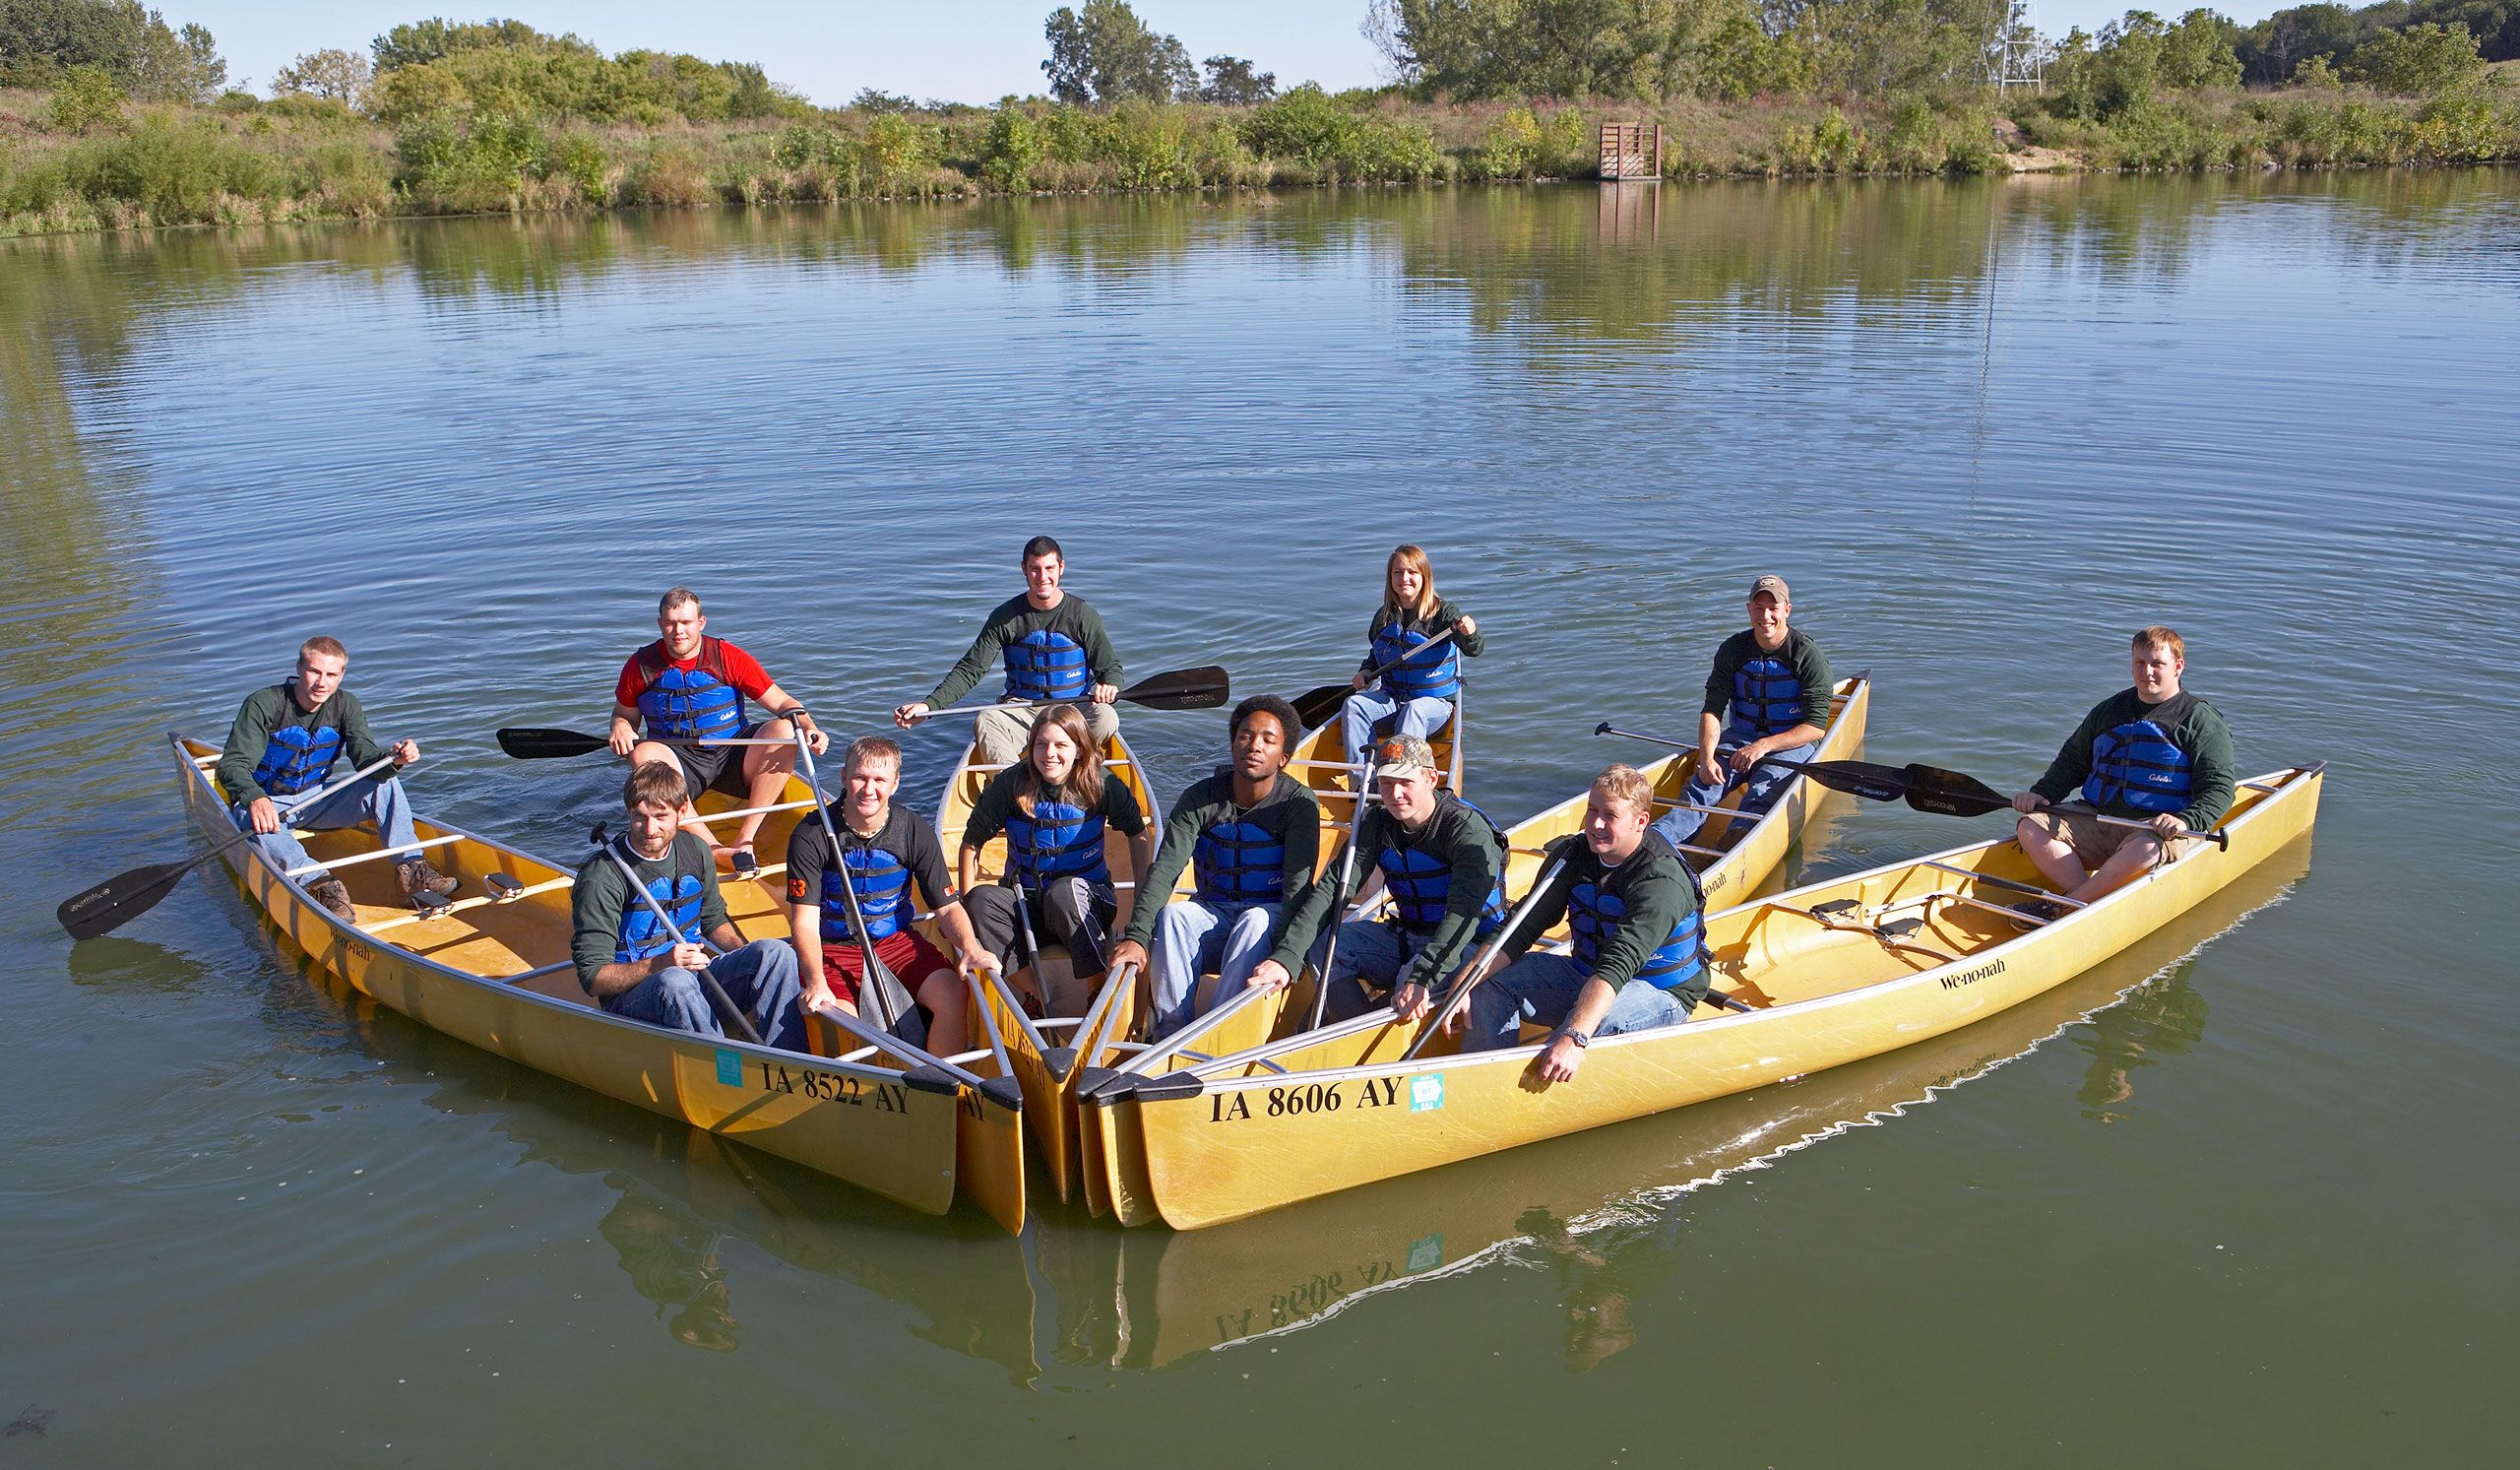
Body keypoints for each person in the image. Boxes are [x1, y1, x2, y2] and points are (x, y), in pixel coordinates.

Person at [1460, 764, 1709, 1083]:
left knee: (1598, 1021)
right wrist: (1463, 986)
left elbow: (1620, 962)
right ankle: (1485, 1078)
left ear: (1640, 822)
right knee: (1489, 983)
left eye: (1610, 815)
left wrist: (1574, 1037)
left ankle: (1543, 1077)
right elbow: (1520, 928)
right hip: (1587, 974)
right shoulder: (1573, 855)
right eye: (1592, 811)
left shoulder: (1661, 880)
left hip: (1659, 992)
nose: (1596, 824)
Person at [1108, 695, 1322, 1041]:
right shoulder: (1201, 797)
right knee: (1173, 916)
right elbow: (1165, 869)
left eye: (1268, 740)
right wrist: (1136, 936)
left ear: (1283, 757)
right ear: (1233, 744)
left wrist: (1287, 955)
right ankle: (1170, 1032)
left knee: (1255, 920)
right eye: (1245, 736)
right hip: (1214, 913)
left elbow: (1298, 890)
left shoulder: (1298, 805)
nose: (1254, 745)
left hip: (1267, 924)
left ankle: (1219, 1032)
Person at [1258, 735, 1505, 1024]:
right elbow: (1332, 889)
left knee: (1408, 981)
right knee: (1322, 943)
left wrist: (1422, 976)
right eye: (1386, 783)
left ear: (1431, 778)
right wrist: (1287, 955)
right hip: (1407, 935)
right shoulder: (1377, 823)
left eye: (1406, 782)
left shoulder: (1466, 830)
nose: (1395, 793)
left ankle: (1363, 1024)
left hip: (1467, 944)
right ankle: (1351, 1023)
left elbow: (1463, 913)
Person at [215, 635, 455, 922]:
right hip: (269, 803)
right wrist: (255, 797)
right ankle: (319, 884)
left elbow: (366, 759)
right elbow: (232, 765)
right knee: (250, 815)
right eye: (314, 671)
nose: (321, 683)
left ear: (341, 675)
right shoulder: (263, 704)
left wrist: (395, 759)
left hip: (317, 799)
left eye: (331, 675)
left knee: (386, 784)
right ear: (299, 668)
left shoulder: (345, 704)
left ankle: (412, 870)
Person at [570, 761, 804, 1050]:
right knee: (675, 981)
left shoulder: (696, 850)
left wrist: (745, 955)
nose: (650, 829)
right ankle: (724, 1063)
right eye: (639, 817)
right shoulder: (601, 877)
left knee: (775, 953)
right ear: (629, 812)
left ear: (681, 812)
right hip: (632, 998)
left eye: (660, 816)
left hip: (694, 978)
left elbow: (714, 920)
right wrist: (660, 963)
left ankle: (788, 1057)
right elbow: (593, 979)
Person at [2007, 625, 2236, 912]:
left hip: (2155, 829)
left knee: (2145, 850)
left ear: (2178, 667)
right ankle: (2085, 901)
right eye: (2140, 662)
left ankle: (2064, 909)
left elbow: (2220, 788)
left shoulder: (2200, 720)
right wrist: (2042, 794)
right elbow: (2072, 762)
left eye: (2157, 664)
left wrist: (2187, 821)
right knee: (2030, 827)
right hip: (2098, 817)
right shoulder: (2108, 710)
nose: (2147, 671)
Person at [786, 735, 986, 1055]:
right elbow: (804, 923)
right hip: (832, 949)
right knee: (840, 1018)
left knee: (953, 992)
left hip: (896, 942)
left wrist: (970, 948)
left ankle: (945, 1077)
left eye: (879, 780)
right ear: (843, 777)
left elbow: (948, 908)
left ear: (894, 784)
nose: (869, 789)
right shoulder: (811, 835)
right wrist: (815, 981)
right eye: (860, 777)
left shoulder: (913, 830)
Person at [608, 587, 824, 874]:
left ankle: (745, 839)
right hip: (680, 763)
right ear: (660, 624)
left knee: (786, 729)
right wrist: (621, 728)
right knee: (643, 752)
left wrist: (809, 728)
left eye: (685, 622)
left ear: (701, 622)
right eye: (670, 623)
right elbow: (623, 716)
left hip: (733, 754)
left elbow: (783, 703)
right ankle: (714, 849)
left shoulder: (727, 656)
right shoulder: (640, 666)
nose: (678, 632)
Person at [958, 704, 1153, 1014]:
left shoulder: (1102, 783)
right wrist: (965, 911)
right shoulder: (1011, 784)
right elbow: (971, 843)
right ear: (1031, 747)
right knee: (981, 900)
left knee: (1065, 892)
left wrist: (1142, 896)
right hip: (1027, 903)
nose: (1049, 754)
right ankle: (1035, 994)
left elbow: (1137, 833)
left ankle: (1096, 988)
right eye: (1041, 744)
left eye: (1061, 745)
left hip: (1086, 904)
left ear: (1079, 750)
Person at [894, 536, 1124, 765]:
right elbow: (971, 669)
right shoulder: (1005, 617)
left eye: (1049, 568)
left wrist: (1110, 685)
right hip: (1023, 710)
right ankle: (1015, 782)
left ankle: (1067, 765)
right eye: (1034, 569)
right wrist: (929, 705)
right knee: (986, 720)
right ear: (1023, 569)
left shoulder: (1083, 615)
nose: (1042, 577)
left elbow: (1110, 668)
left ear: (1061, 568)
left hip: (1073, 710)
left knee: (1106, 717)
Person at [1653, 575, 1833, 850]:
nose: (1766, 616)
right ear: (1749, 609)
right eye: (1758, 608)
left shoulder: (1808, 655)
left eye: (1773, 608)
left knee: (1762, 790)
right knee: (1702, 786)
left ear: (1787, 609)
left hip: (1792, 743)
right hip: (1740, 736)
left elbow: (1816, 727)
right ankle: (1659, 840)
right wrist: (1707, 757)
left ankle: (1737, 842)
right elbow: (1712, 711)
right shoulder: (1733, 649)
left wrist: (1763, 746)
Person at [1338, 544, 1483, 774]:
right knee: (1354, 705)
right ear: (1390, 578)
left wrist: (1470, 632)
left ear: (1424, 576)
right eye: (1398, 572)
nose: (1404, 578)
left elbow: (1474, 649)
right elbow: (1377, 654)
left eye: (1412, 572)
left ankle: (1401, 779)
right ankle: (1363, 781)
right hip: (1393, 699)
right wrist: (1365, 671)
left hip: (1434, 707)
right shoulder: (1384, 616)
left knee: (1414, 710)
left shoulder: (1443, 612)